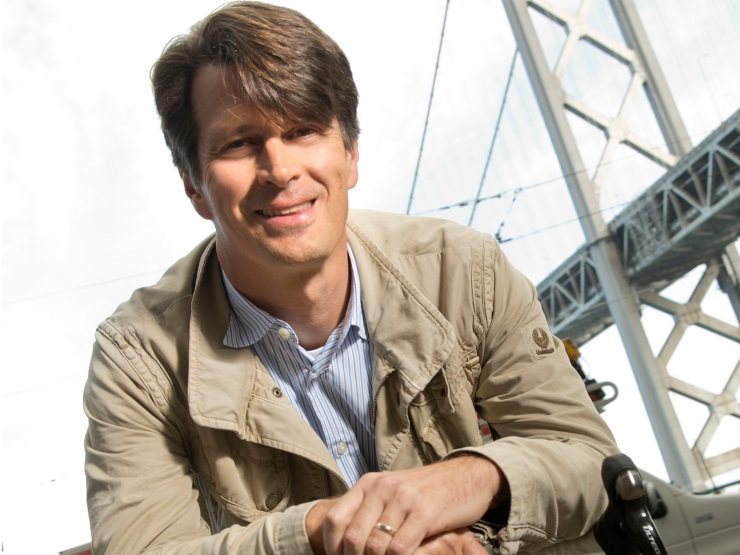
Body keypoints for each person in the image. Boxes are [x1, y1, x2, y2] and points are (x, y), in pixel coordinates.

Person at [83, 2, 619, 553]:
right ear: (194, 185)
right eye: (239, 143)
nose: (281, 170)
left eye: (303, 130)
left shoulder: (465, 270)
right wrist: (327, 532)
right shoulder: (137, 359)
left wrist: (467, 484)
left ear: (351, 152)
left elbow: (590, 461)